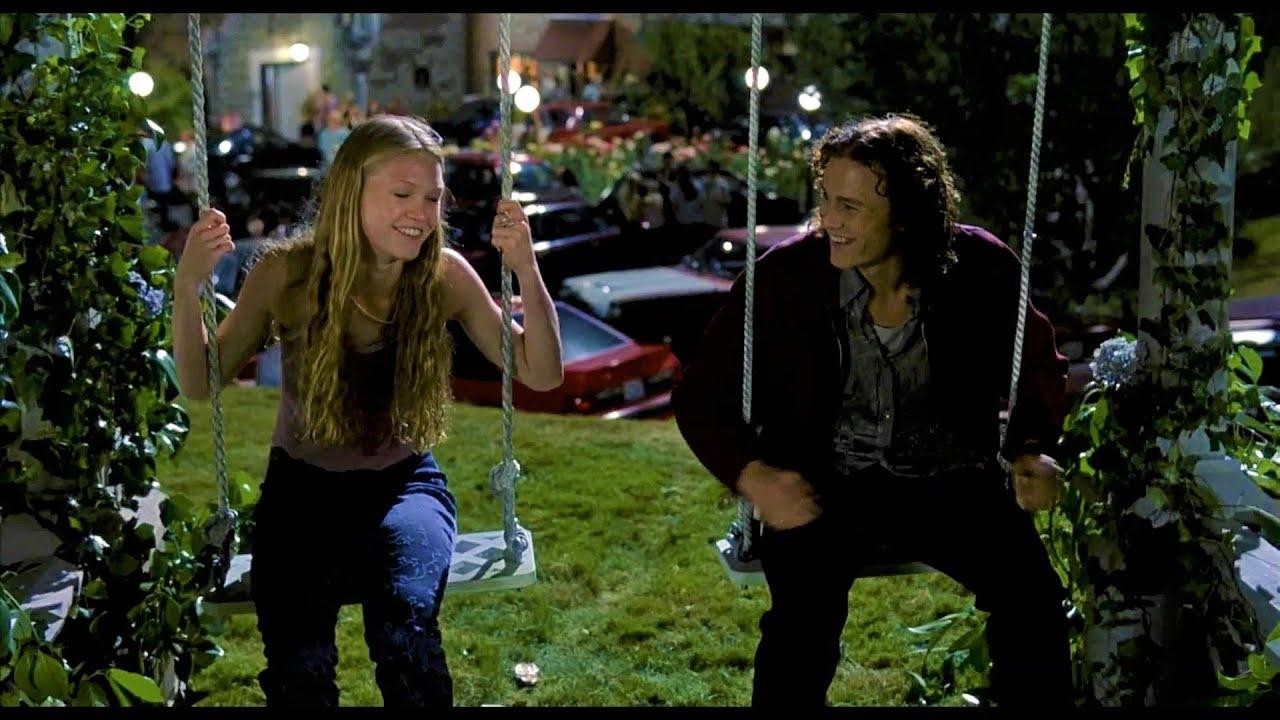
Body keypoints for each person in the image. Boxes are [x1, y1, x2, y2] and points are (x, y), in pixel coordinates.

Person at [673, 114, 1072, 709]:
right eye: (826, 200)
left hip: (949, 478)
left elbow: (1038, 363)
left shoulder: (980, 268)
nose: (829, 220)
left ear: (908, 213)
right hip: (823, 482)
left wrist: (1033, 445)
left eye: (850, 207)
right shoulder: (785, 279)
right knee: (802, 627)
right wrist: (755, 477)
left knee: (1033, 603)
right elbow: (701, 395)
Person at [170, 114, 564, 707]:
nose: (421, 212)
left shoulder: (443, 277)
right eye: (402, 194)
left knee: (406, 639)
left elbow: (541, 371)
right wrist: (187, 285)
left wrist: (526, 265)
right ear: (352, 193)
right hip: (302, 495)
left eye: (432, 197)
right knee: (299, 668)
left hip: (405, 487)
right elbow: (200, 382)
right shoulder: (286, 275)